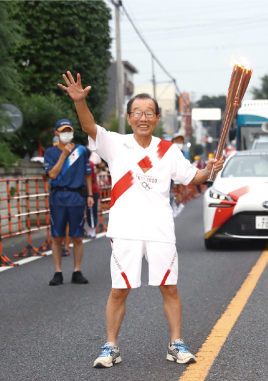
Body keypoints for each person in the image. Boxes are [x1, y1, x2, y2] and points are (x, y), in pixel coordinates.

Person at [59, 72, 225, 368]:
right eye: (138, 113)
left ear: (157, 118)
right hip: (126, 230)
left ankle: (176, 343)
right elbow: (88, 126)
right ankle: (111, 346)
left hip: (160, 229)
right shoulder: (115, 144)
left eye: (149, 113)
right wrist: (80, 102)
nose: (143, 118)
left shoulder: (168, 150)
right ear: (129, 117)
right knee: (119, 290)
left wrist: (209, 169)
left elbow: (194, 178)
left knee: (169, 287)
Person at [42, 119, 93, 286]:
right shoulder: (50, 152)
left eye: (69, 130)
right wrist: (64, 155)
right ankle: (58, 272)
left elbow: (87, 174)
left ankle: (76, 271)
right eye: (63, 131)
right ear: (57, 133)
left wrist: (90, 194)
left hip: (77, 197)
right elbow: (53, 175)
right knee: (57, 237)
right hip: (58, 197)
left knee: (77, 236)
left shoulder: (81, 151)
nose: (66, 133)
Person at [85, 151, 102, 238]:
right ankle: (90, 231)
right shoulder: (90, 163)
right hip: (92, 189)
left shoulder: (88, 163)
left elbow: (90, 178)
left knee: (91, 211)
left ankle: (92, 232)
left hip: (92, 190)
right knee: (90, 211)